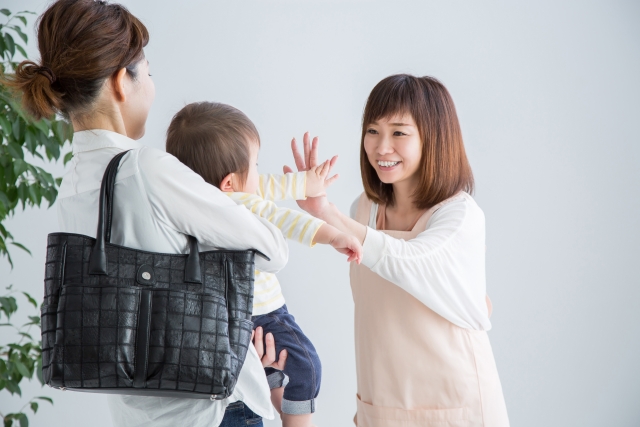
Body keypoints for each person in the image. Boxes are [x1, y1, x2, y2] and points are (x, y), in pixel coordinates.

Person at [6, 1, 288, 426]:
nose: (152, 87)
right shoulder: (147, 169)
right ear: (122, 81)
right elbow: (272, 250)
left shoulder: (73, 184)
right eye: (149, 74)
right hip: (213, 410)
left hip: (137, 415)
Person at [285, 74, 510, 426]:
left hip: (455, 405)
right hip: (382, 404)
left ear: (433, 138)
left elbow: (406, 261)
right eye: (373, 130)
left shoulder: (459, 215)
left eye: (399, 133)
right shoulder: (364, 209)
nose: (381, 147)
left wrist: (327, 213)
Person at [165, 101, 362, 427]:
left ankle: (271, 385)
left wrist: (305, 183)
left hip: (219, 320)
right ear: (229, 183)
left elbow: (266, 185)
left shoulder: (187, 201)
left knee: (271, 367)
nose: (260, 173)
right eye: (255, 165)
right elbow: (284, 218)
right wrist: (334, 236)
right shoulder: (241, 207)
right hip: (264, 313)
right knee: (307, 366)